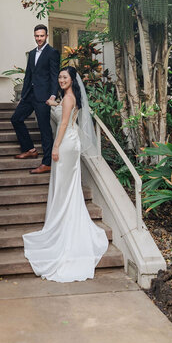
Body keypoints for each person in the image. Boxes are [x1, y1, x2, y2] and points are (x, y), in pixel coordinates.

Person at [23, 66, 108, 282]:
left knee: (64, 185)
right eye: (59, 77)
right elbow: (64, 111)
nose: (61, 80)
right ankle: (63, 219)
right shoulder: (67, 98)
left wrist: (54, 146)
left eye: (65, 77)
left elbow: (63, 124)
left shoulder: (69, 99)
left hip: (66, 144)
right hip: (71, 142)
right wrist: (54, 104)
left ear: (72, 80)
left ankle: (64, 226)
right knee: (66, 185)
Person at [11, 24, 61, 174]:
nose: (39, 38)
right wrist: (23, 96)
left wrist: (52, 95)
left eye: (42, 36)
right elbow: (28, 76)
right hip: (29, 95)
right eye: (37, 36)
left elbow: (54, 75)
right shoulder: (32, 53)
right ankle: (29, 149)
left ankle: (47, 163)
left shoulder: (52, 52)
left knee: (44, 128)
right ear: (34, 36)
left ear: (46, 36)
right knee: (16, 119)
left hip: (43, 96)